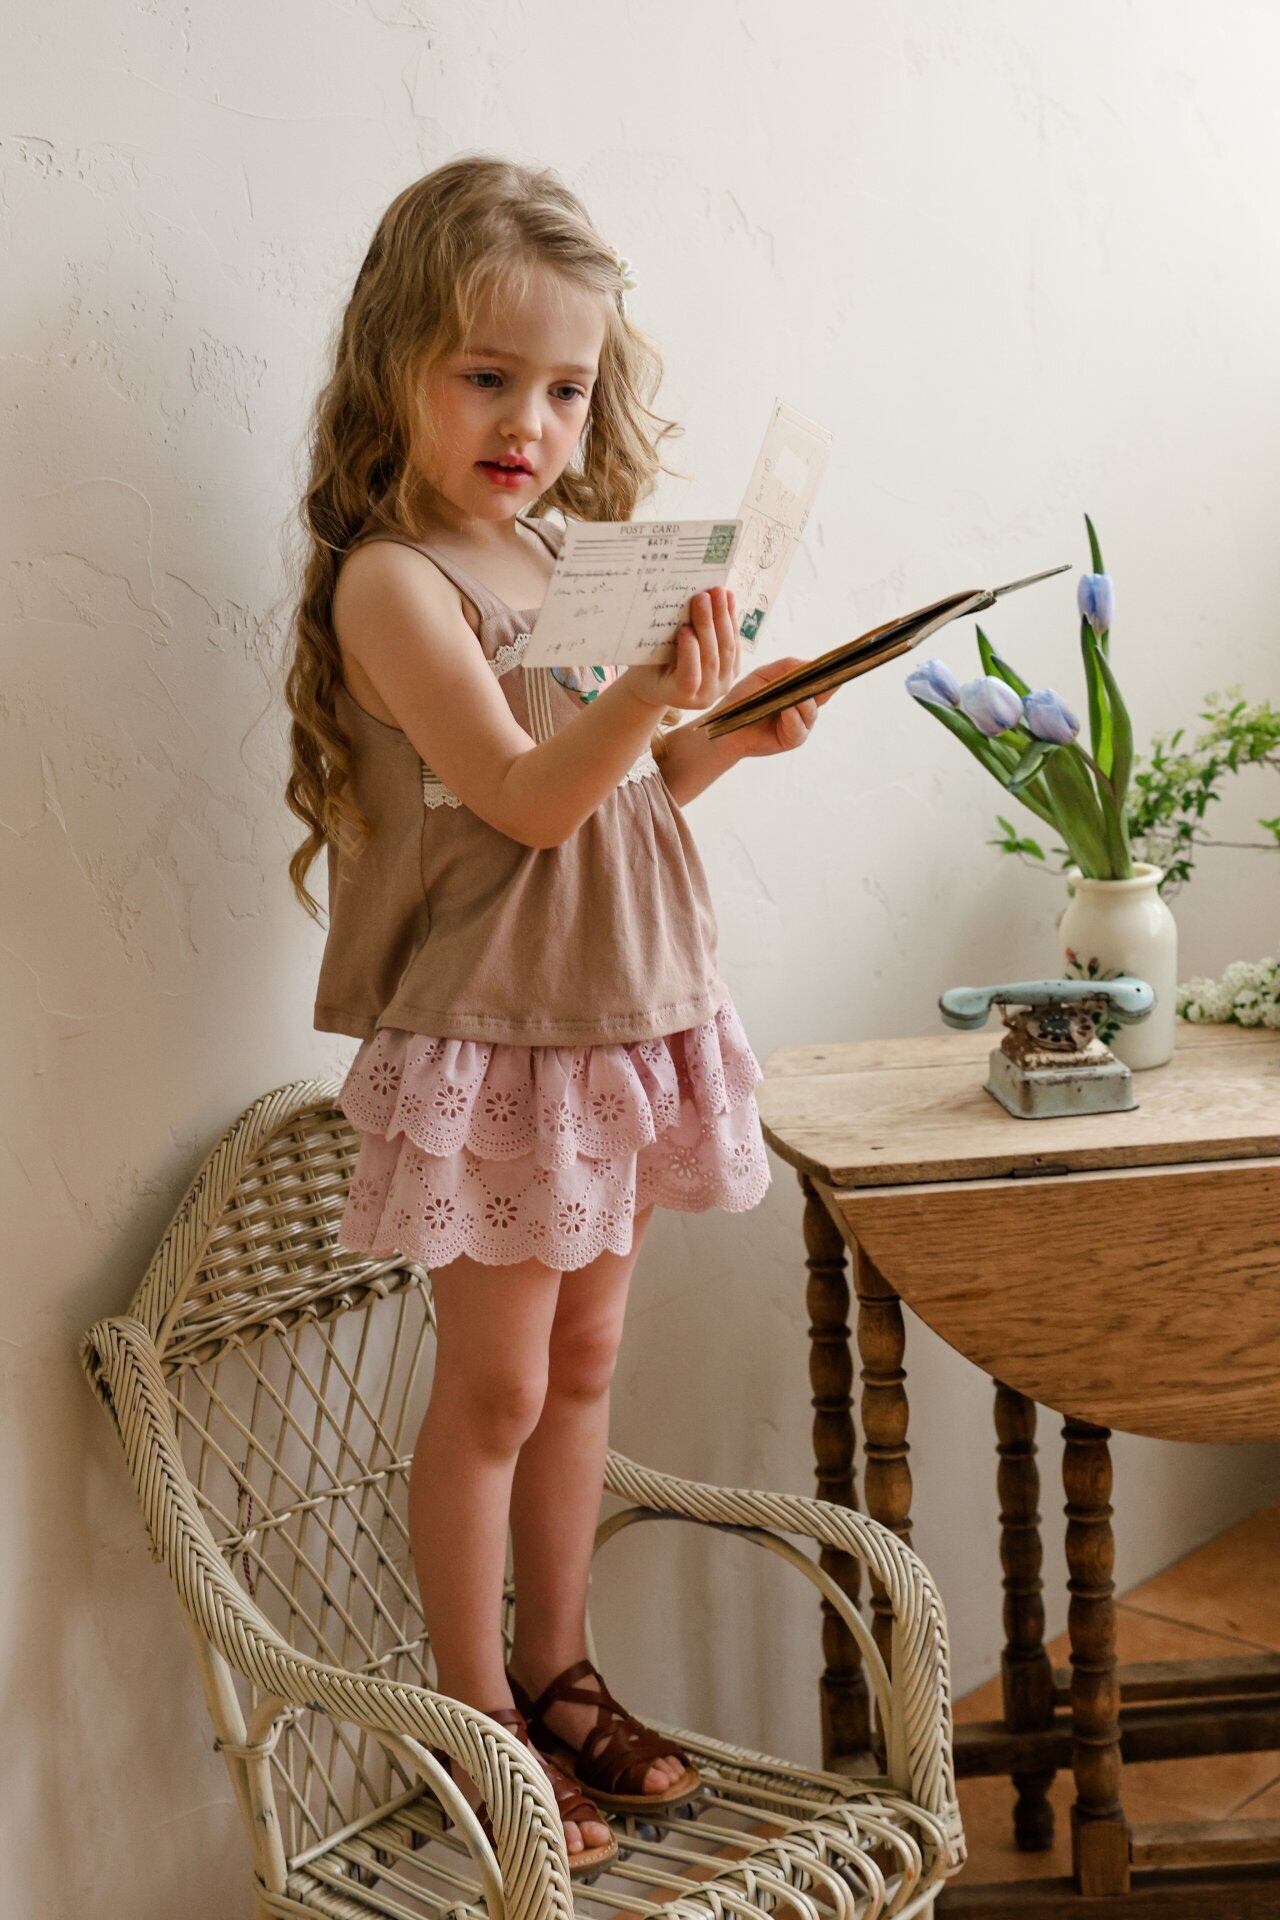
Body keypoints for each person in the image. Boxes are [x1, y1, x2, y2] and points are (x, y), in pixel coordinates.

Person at [282, 153, 831, 1874]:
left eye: (568, 388)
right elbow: (523, 800)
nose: (532, 421)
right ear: (398, 369)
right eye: (488, 376)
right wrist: (646, 698)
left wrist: (715, 737)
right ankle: (475, 1718)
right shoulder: (398, 583)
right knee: (498, 1388)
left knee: (586, 1365)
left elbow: (612, 797)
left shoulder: (548, 554)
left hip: (617, 1017)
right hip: (501, 1036)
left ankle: (559, 1668)